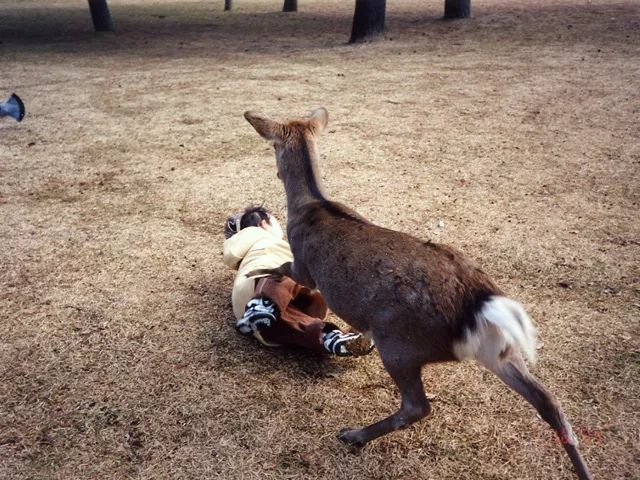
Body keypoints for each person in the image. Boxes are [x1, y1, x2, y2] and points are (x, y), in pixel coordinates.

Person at [223, 205, 374, 357]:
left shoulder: (246, 254)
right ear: (263, 224)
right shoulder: (256, 236)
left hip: (252, 314)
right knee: (288, 271)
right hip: (263, 284)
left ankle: (332, 339)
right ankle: (264, 303)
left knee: (293, 324)